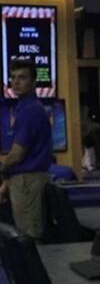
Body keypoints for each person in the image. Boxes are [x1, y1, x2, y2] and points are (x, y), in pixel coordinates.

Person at [0, 60, 52, 240]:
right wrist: (7, 181)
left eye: (22, 78)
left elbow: (17, 155)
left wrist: (2, 168)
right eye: (13, 78)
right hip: (23, 180)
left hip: (28, 182)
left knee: (29, 237)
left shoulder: (30, 111)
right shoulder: (24, 109)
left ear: (33, 82)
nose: (16, 82)